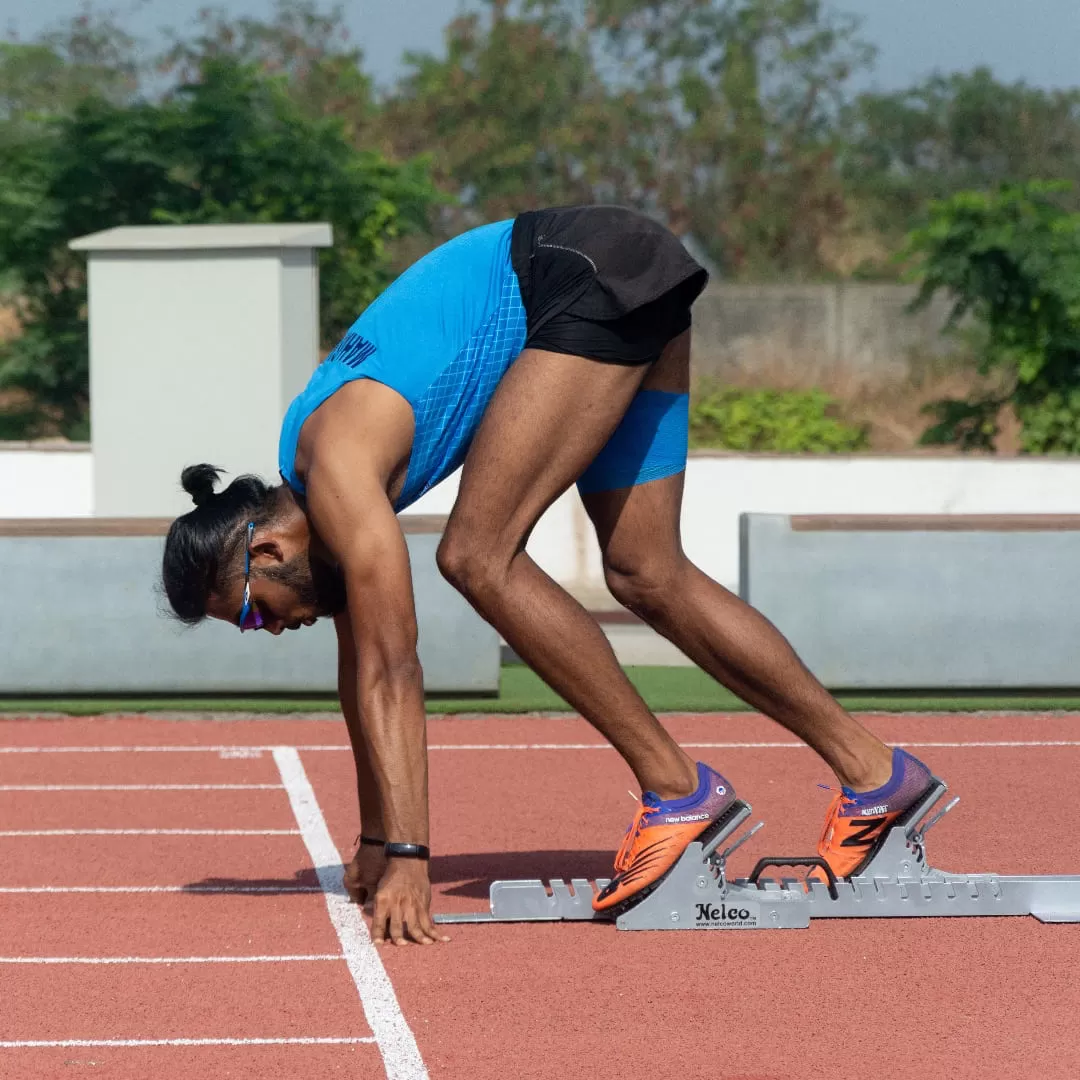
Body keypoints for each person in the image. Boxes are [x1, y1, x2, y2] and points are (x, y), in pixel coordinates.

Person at [161, 205, 937, 946]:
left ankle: (678, 792)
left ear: (265, 552)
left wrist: (408, 856)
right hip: (624, 270)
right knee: (646, 571)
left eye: (255, 614)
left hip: (581, 274)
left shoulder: (333, 465)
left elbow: (392, 672)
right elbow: (359, 669)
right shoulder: (319, 486)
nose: (274, 630)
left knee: (475, 555)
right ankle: (878, 779)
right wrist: (372, 835)